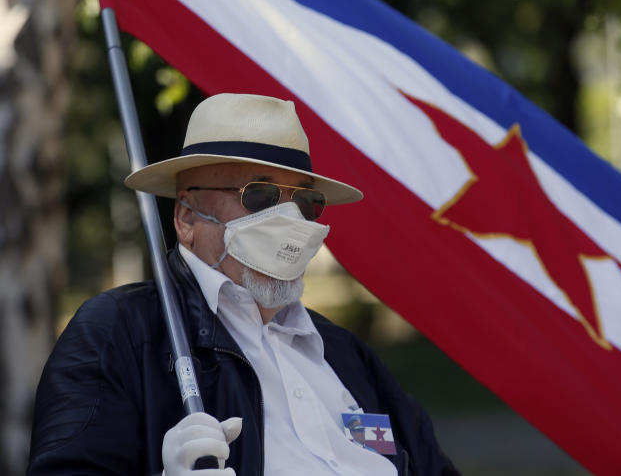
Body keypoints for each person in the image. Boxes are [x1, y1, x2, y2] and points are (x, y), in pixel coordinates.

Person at [28, 93, 458, 476]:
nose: (289, 219)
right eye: (261, 195)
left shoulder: (346, 354)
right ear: (187, 219)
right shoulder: (121, 332)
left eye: (305, 201)